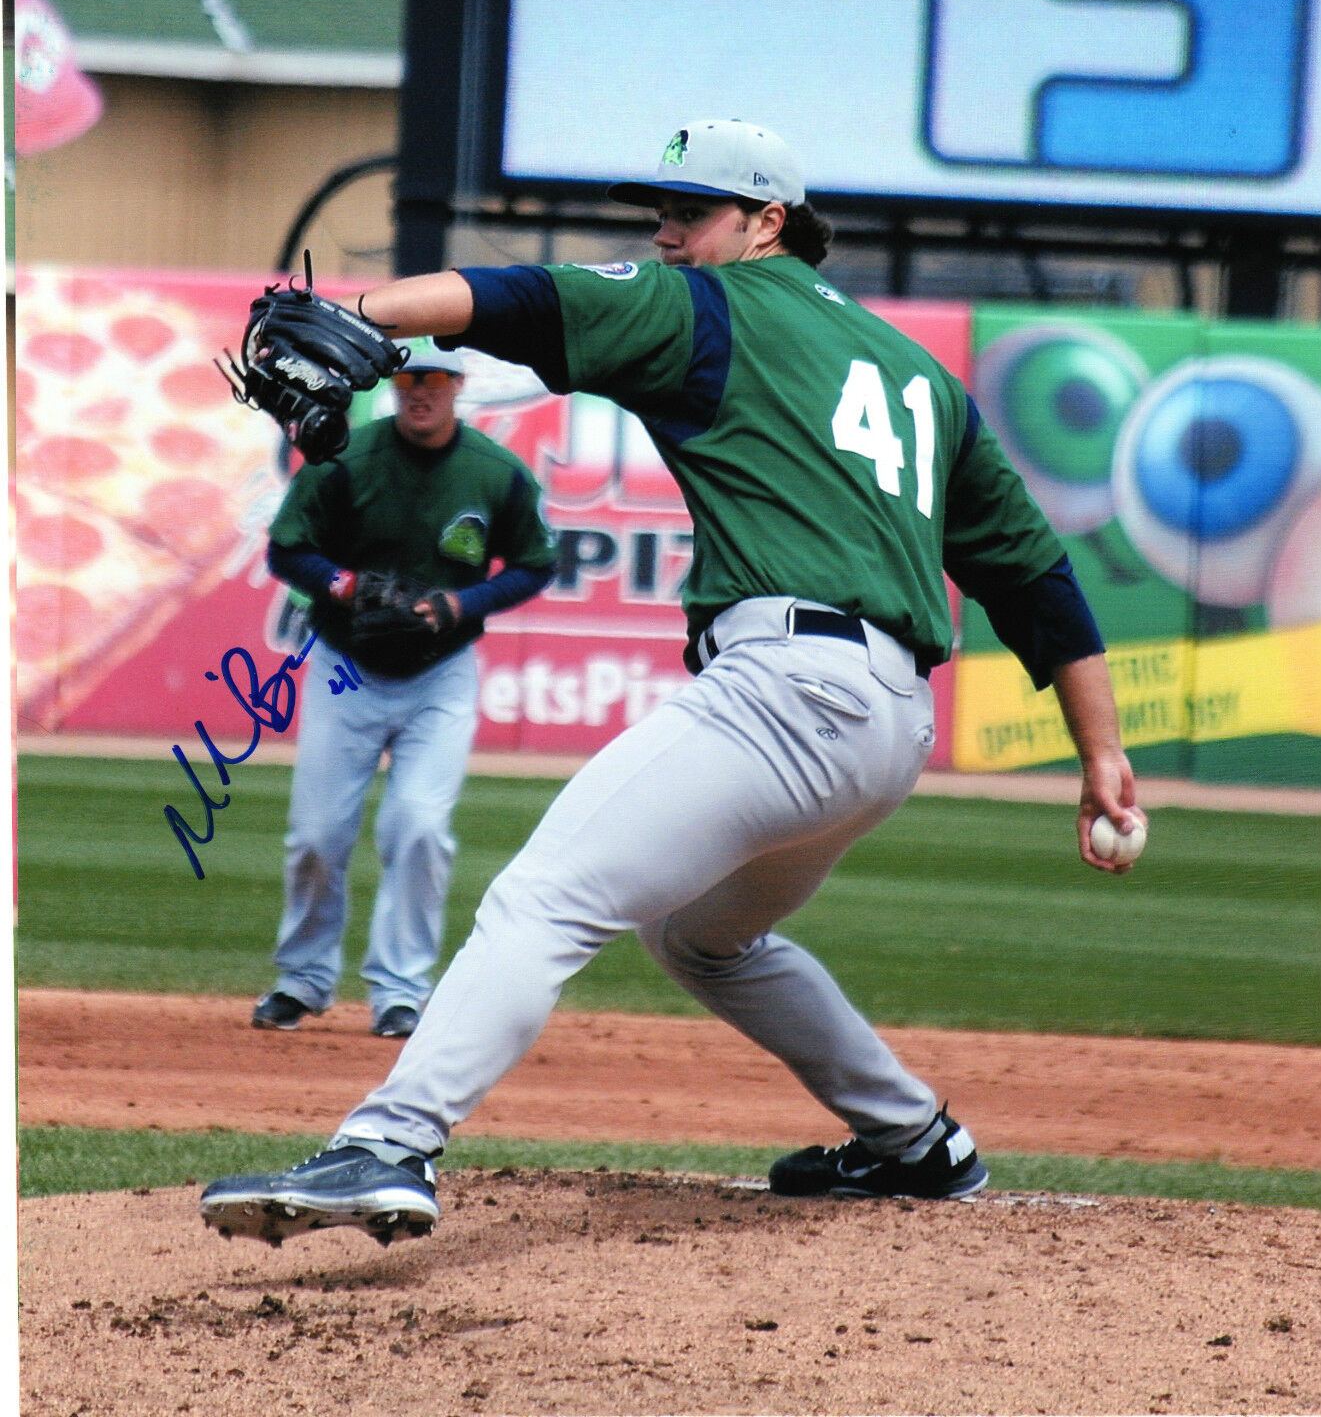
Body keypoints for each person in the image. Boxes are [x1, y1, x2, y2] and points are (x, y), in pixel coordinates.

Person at [202, 118, 1143, 1246]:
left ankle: (387, 1145)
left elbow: (523, 298)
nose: (667, 232)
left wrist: (367, 316)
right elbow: (1031, 574)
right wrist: (1102, 754)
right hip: (888, 726)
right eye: (661, 212)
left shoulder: (713, 304)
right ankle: (913, 1142)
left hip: (786, 695)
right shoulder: (917, 373)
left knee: (542, 897)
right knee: (702, 938)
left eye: (691, 212)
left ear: (766, 223)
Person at [250, 340, 556, 1040]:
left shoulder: (494, 474)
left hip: (440, 670)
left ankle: (400, 990)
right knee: (317, 836)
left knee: (418, 828)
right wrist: (346, 584)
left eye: (436, 379)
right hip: (345, 662)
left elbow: (536, 562)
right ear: (394, 385)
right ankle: (301, 980)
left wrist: (460, 605)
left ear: (457, 385)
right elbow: (286, 548)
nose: (422, 391)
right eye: (410, 378)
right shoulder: (346, 459)